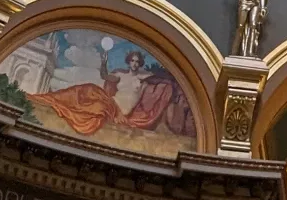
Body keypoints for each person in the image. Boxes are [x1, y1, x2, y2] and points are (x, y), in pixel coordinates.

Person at [29, 44, 192, 142]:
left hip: (119, 112)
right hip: (111, 103)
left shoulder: (144, 78)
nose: (134, 64)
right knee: (86, 90)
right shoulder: (120, 74)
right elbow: (104, 76)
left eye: (137, 61)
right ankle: (47, 99)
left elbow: (162, 79)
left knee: (97, 109)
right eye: (132, 61)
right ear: (128, 62)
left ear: (140, 63)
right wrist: (103, 63)